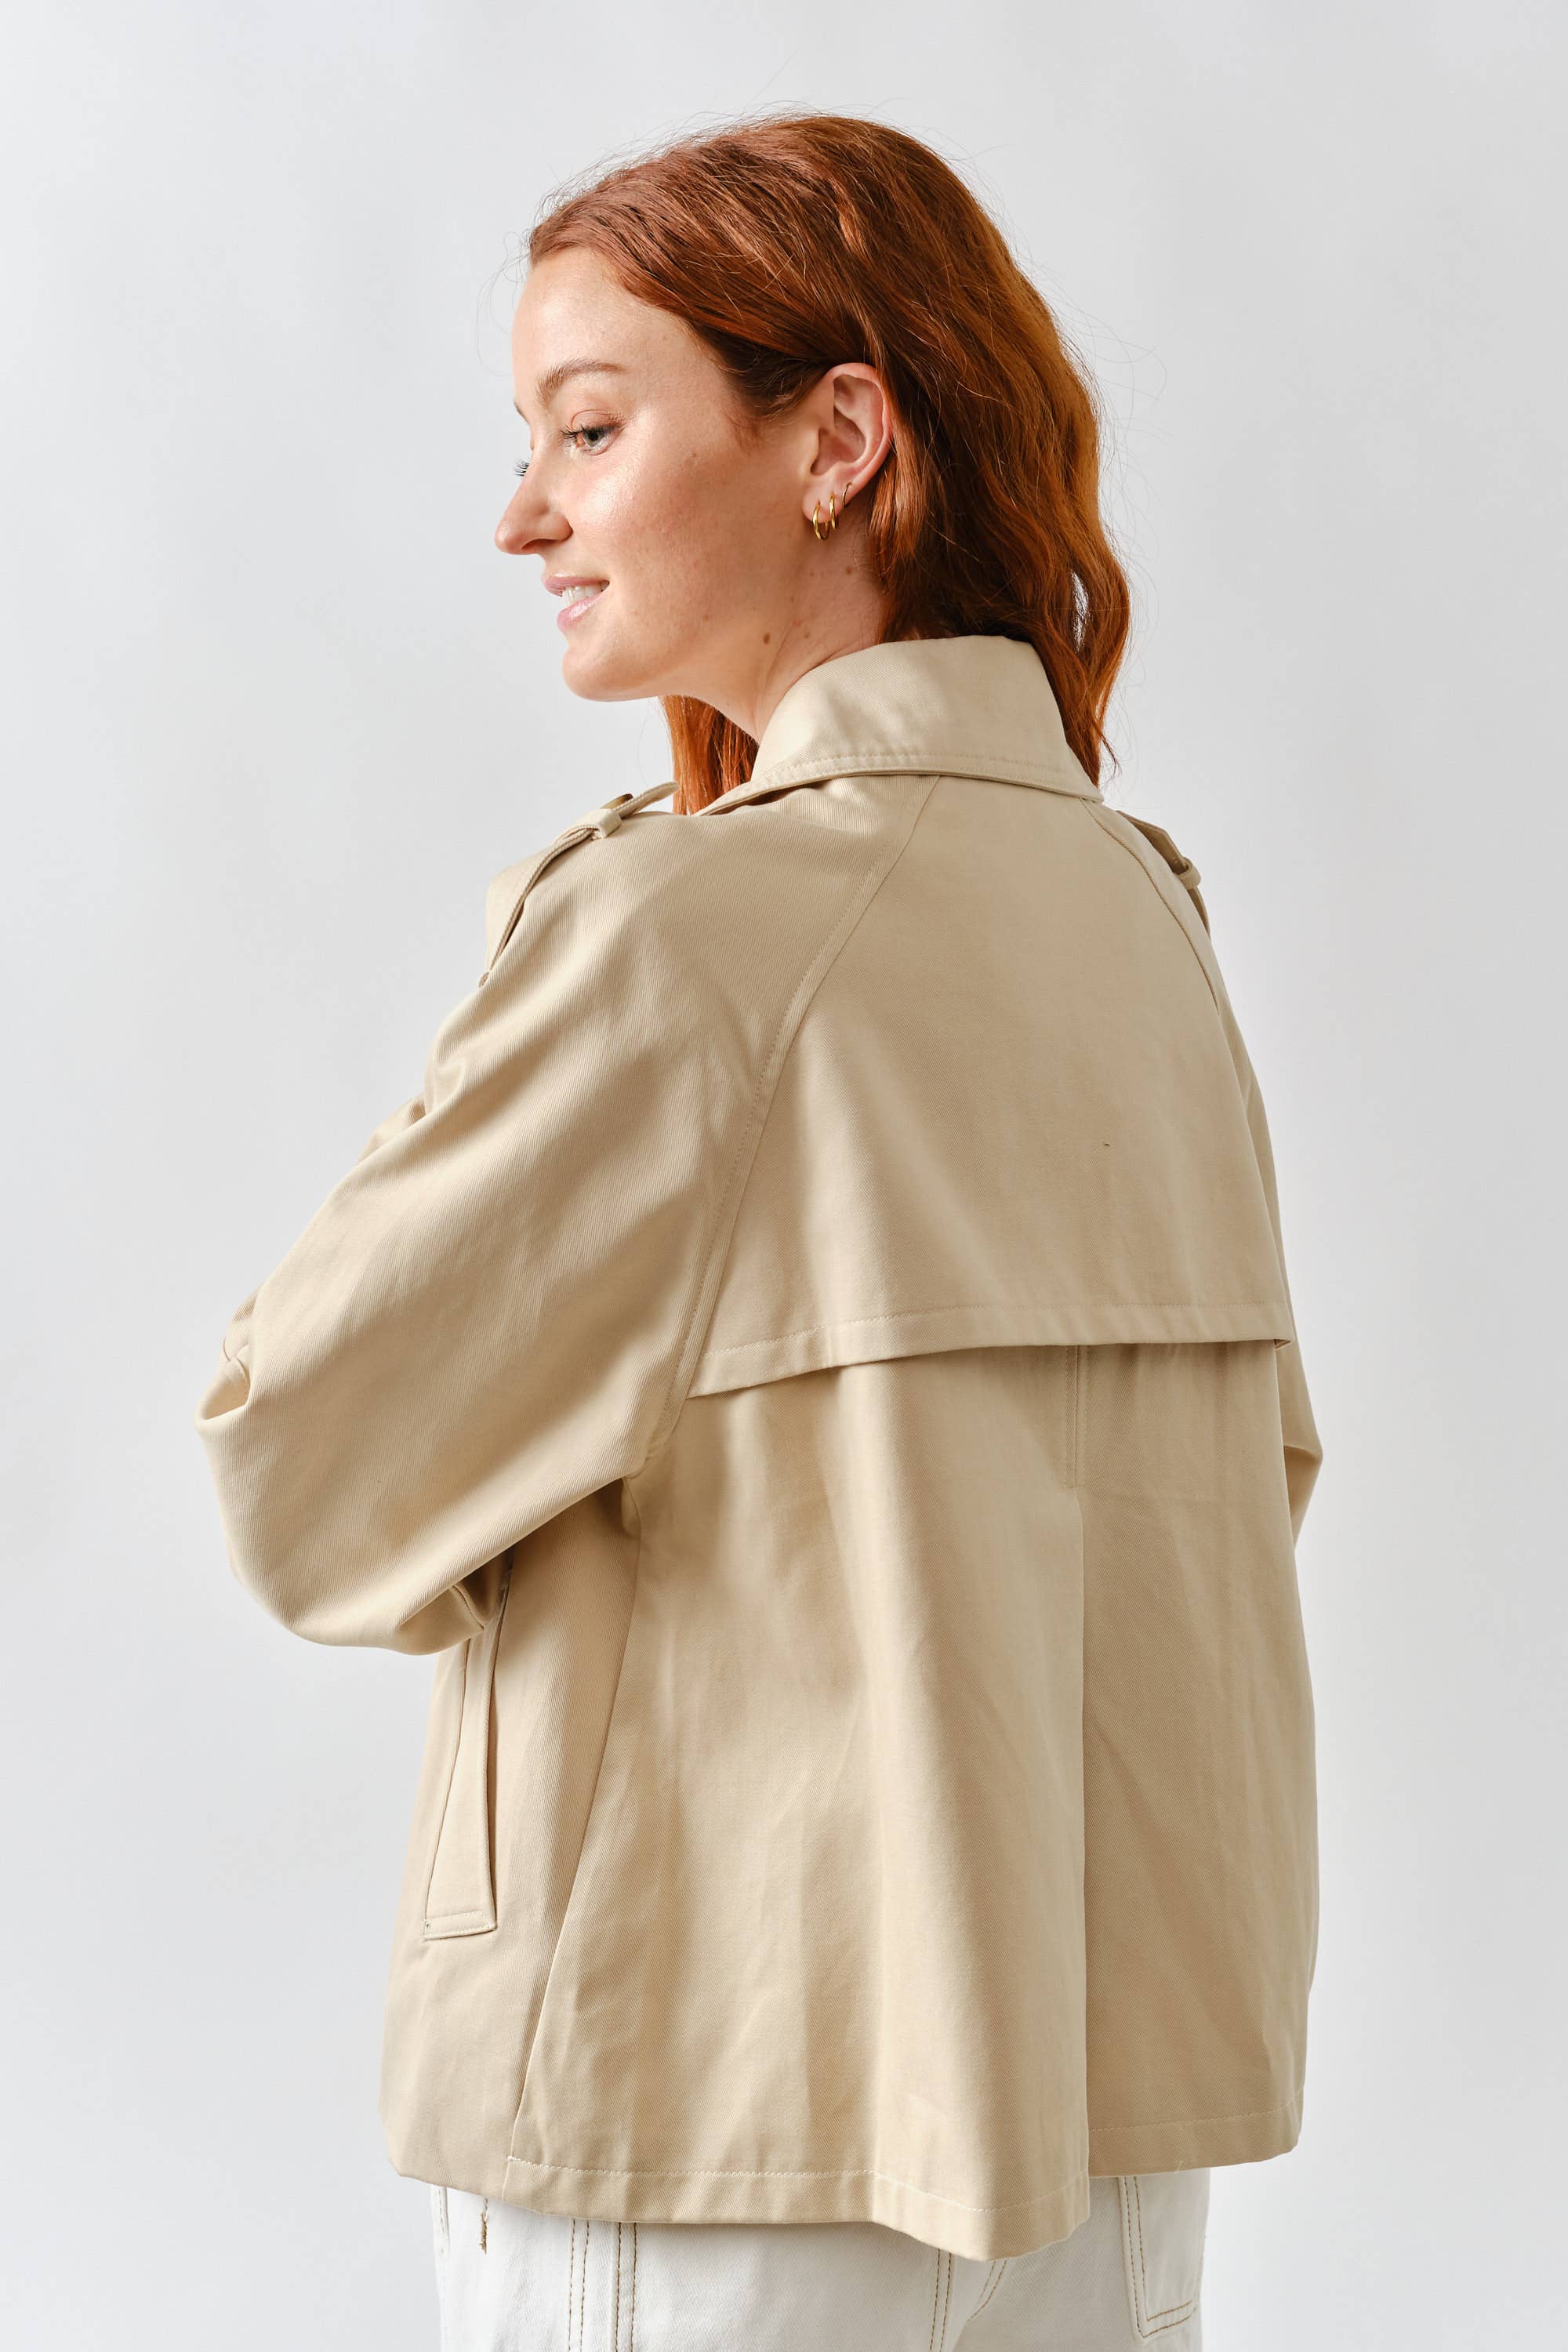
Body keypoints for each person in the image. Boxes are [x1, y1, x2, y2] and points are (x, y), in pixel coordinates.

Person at [194, 111, 1321, 2351]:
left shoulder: (687, 940)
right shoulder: (1144, 919)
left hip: (710, 2115)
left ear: (840, 441)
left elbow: (299, 1483)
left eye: (589, 429)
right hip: (1101, 2143)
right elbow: (1249, 1491)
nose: (527, 513)